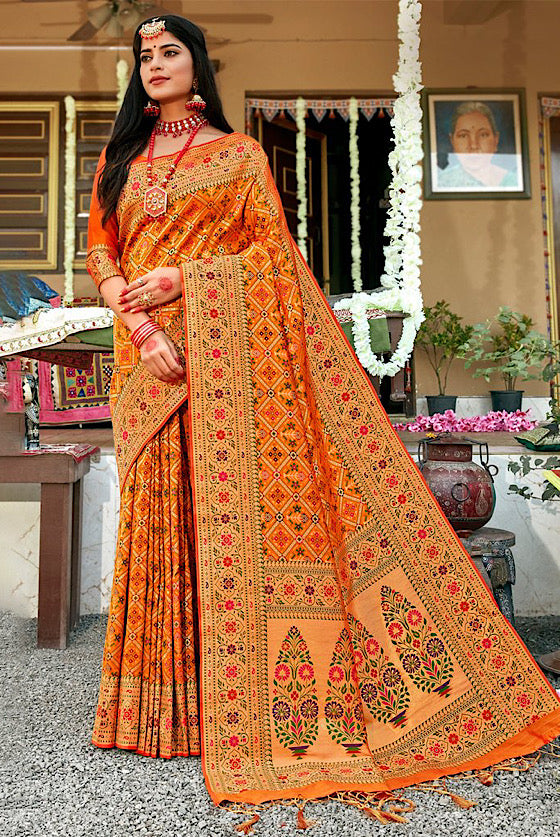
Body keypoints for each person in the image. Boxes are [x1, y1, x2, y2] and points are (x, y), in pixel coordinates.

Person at [88, 15, 560, 808]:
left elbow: (270, 257)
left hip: (220, 358)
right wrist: (135, 319)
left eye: (170, 53)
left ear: (198, 67)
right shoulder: (122, 158)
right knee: (158, 517)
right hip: (148, 364)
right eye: (145, 56)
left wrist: (181, 283)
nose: (155, 65)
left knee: (221, 525)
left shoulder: (237, 158)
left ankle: (232, 708)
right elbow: (101, 251)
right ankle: (160, 710)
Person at [436, 101, 518, 189]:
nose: (474, 146)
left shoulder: (514, 182)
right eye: (463, 136)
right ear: (452, 141)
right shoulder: (441, 183)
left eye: (483, 135)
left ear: (496, 140)